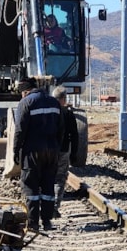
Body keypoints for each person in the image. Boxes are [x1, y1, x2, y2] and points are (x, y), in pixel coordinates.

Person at [13, 78, 64, 232]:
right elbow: (61, 128)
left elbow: (20, 130)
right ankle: (47, 221)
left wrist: (16, 150)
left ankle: (33, 222)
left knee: (31, 185)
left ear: (25, 91)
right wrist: (57, 147)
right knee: (48, 184)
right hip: (52, 150)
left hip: (32, 151)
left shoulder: (26, 103)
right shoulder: (54, 102)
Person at [51, 85, 79, 219]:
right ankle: (55, 207)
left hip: (48, 151)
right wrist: (74, 154)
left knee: (47, 178)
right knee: (60, 179)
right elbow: (75, 135)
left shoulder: (48, 112)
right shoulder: (68, 113)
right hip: (63, 150)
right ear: (63, 98)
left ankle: (45, 206)